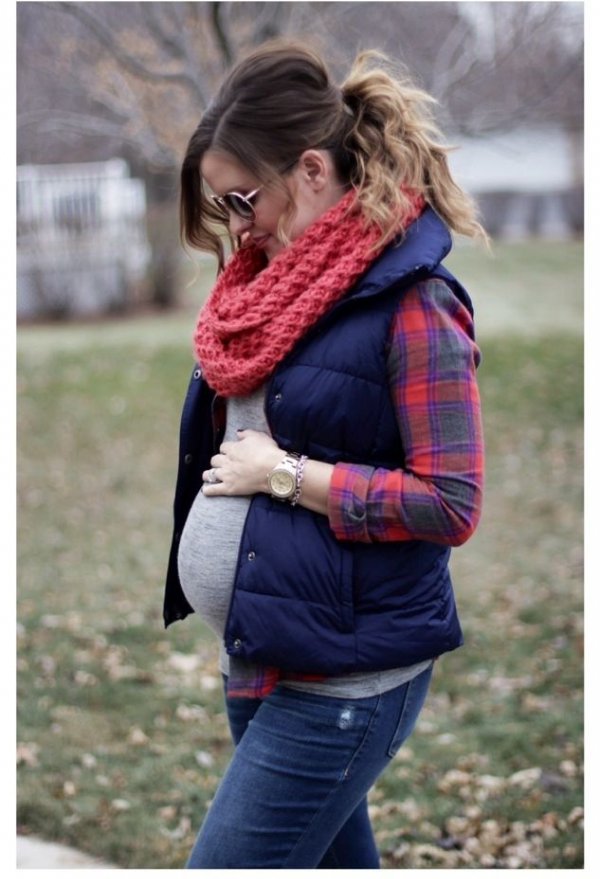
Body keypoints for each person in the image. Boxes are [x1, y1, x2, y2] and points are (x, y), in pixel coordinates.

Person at [163, 39, 485, 869]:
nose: (237, 227)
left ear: (311, 170)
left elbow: (450, 500)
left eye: (243, 197)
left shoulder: (414, 302)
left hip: (348, 678)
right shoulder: (267, 290)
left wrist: (285, 476)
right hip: (269, 651)